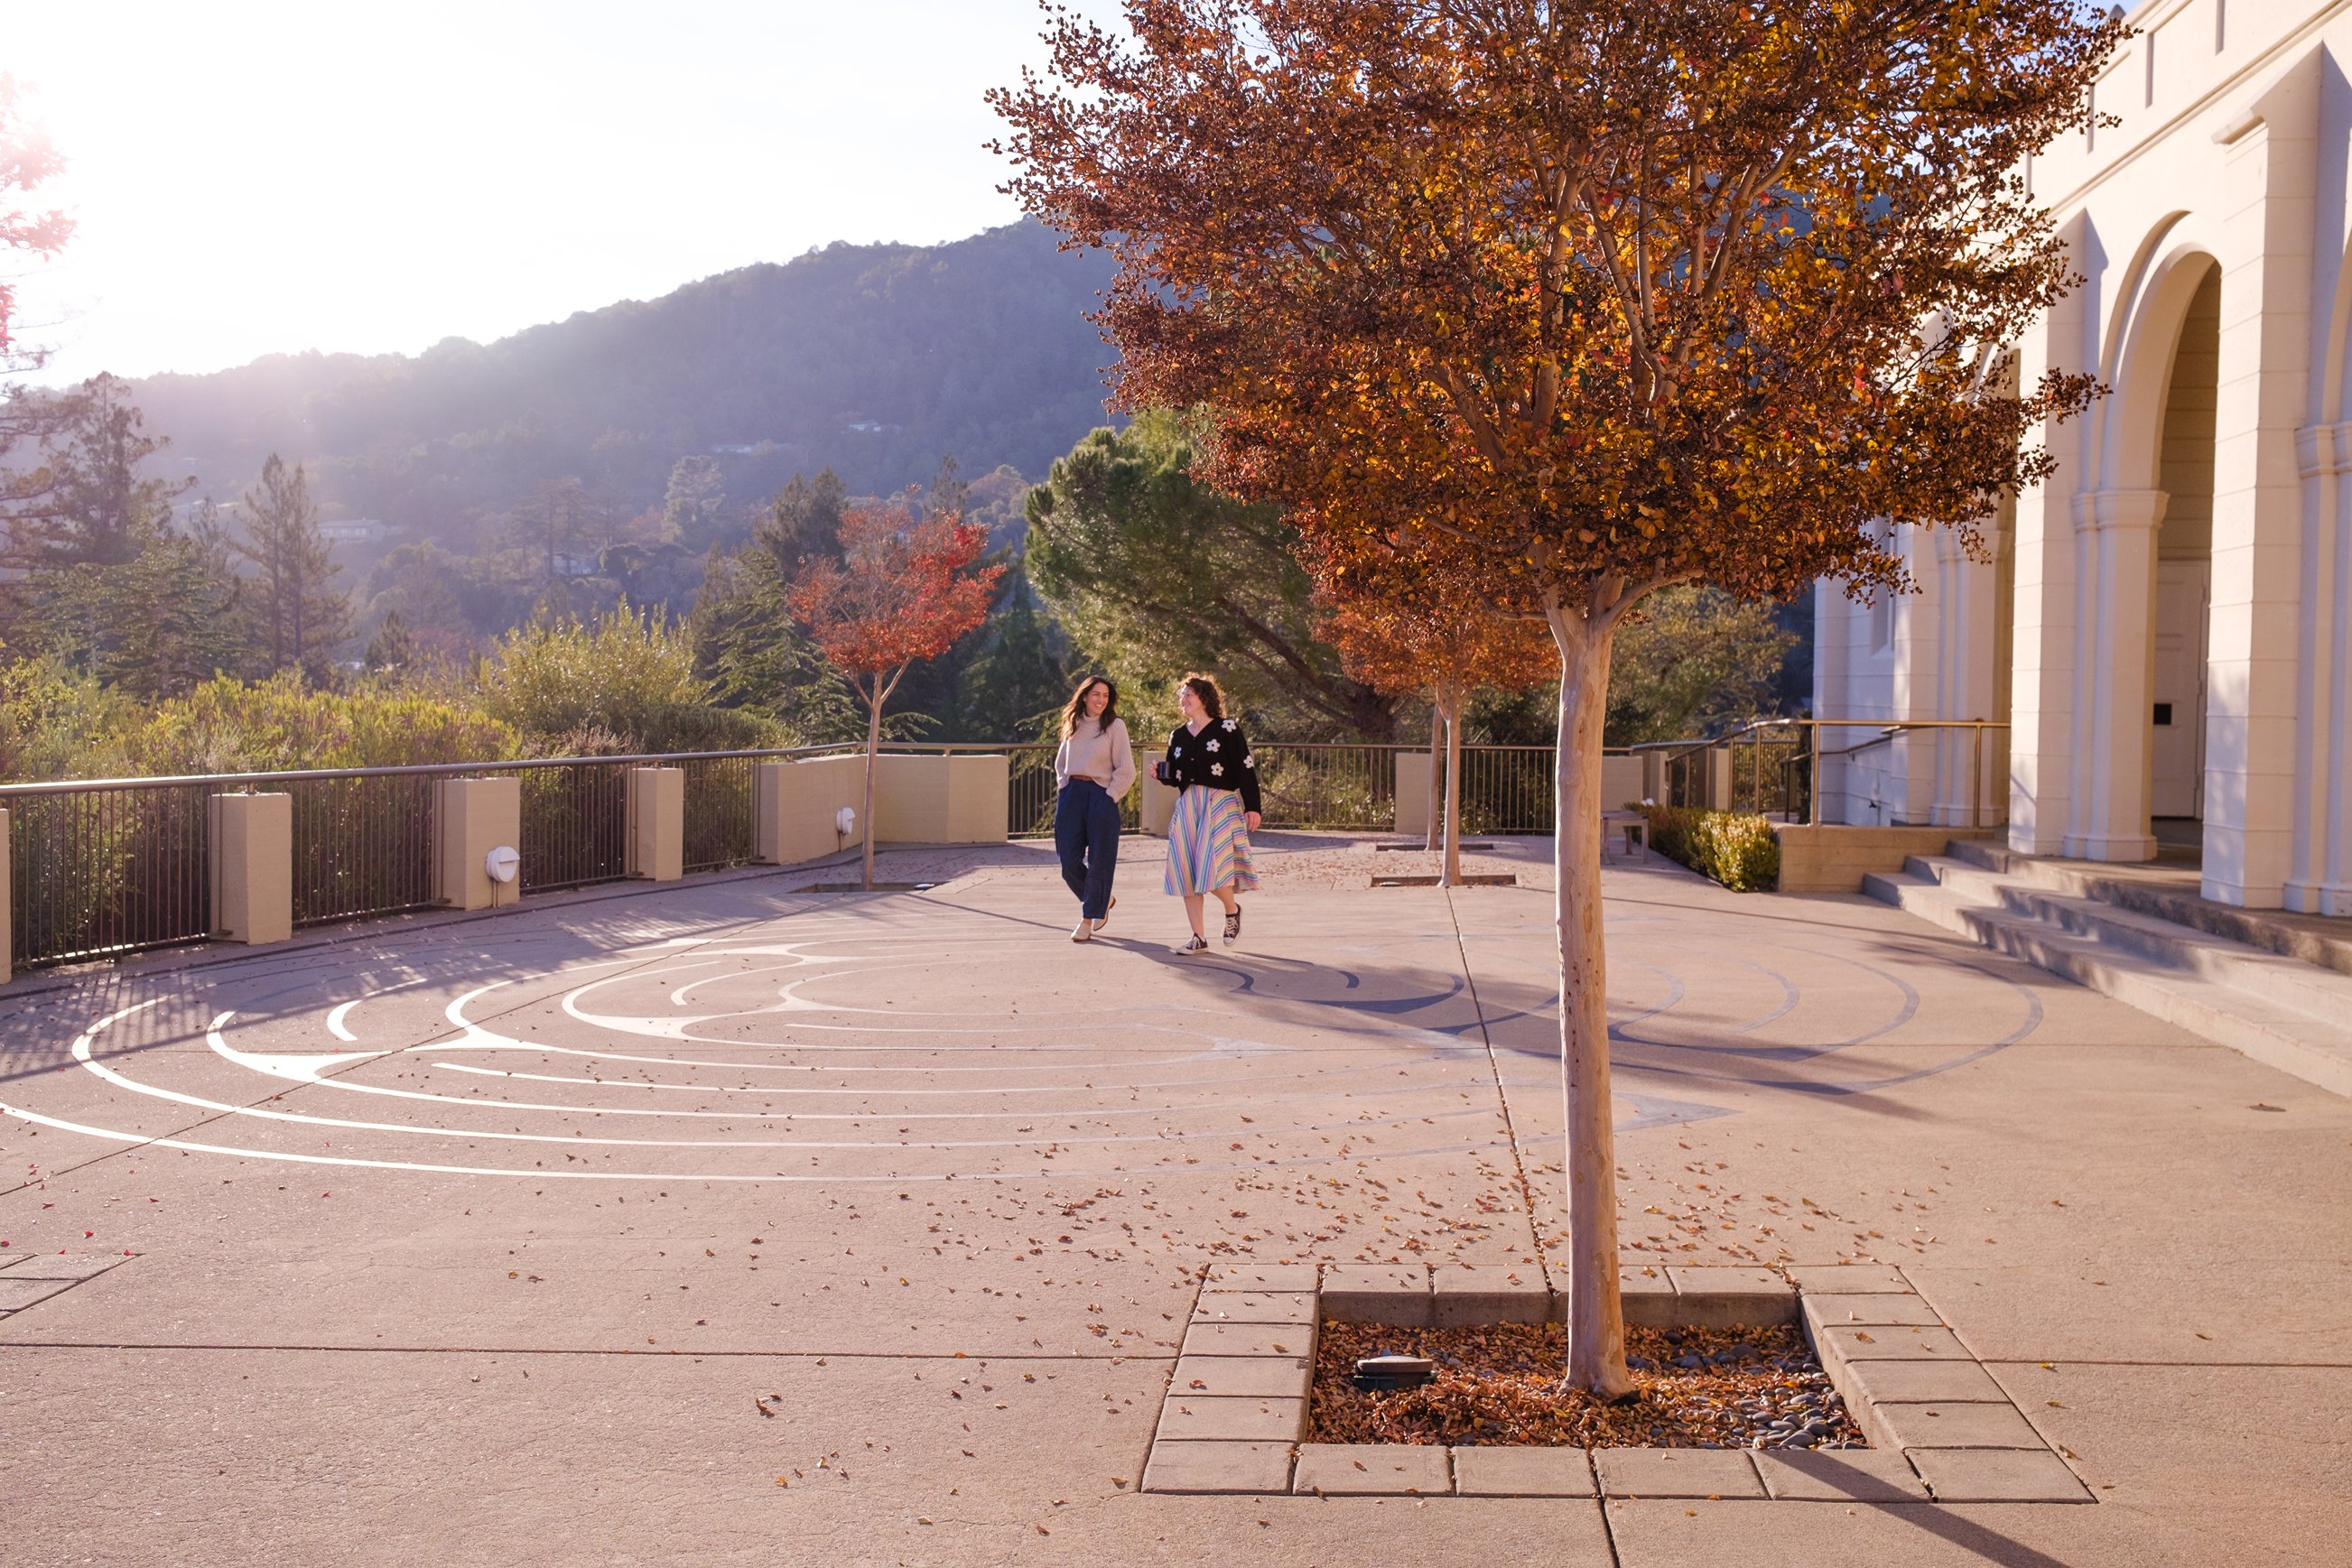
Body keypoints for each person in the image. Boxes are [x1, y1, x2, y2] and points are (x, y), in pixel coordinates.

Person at [1159, 673, 1260, 952]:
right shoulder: (1177, 736)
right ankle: (1198, 937)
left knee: (1212, 867)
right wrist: (1162, 774)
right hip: (1189, 804)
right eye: (1182, 696)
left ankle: (1231, 910)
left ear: (1204, 698)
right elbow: (1175, 775)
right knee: (1187, 872)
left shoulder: (1226, 729)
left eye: (1188, 694)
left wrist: (1252, 805)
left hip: (1219, 803)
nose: (1184, 700)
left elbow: (1245, 767)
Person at [1052, 674, 1136, 942]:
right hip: (1072, 796)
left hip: (1101, 796)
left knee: (1100, 863)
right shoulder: (1073, 723)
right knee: (1069, 863)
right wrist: (1064, 787)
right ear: (1085, 696)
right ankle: (1103, 899)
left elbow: (1127, 769)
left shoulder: (1115, 726)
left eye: (1105, 696)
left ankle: (1087, 920)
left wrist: (1110, 795)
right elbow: (1061, 763)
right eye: (1096, 694)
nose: (1101, 700)